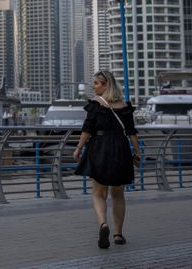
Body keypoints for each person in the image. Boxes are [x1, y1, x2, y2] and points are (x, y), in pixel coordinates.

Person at [73, 70, 141, 249]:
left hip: (100, 148)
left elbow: (87, 129)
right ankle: (118, 235)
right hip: (121, 149)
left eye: (96, 83)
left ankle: (103, 224)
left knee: (98, 193)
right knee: (118, 193)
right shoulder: (124, 105)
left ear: (105, 85)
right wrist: (137, 151)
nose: (93, 86)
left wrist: (79, 148)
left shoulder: (96, 104)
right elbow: (131, 132)